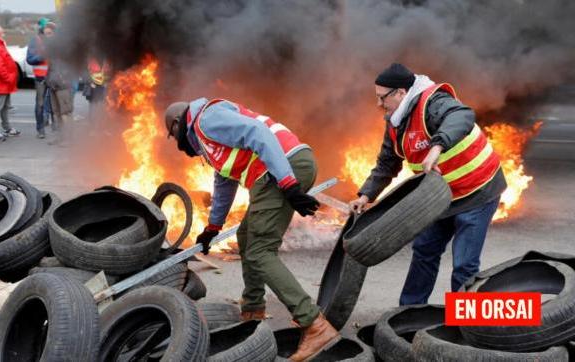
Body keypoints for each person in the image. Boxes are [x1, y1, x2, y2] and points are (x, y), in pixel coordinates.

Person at [164, 98, 339, 361]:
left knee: (260, 252)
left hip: (280, 168)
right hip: (276, 171)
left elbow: (258, 134)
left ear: (178, 124)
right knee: (246, 238)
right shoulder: (209, 141)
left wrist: (288, 183)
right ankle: (253, 310)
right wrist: (213, 227)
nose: (181, 148)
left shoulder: (206, 120)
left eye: (174, 137)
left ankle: (314, 324)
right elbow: (224, 183)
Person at [349, 63, 507, 305]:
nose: (378, 104)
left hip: (477, 190)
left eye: (382, 98)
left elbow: (462, 115)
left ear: (400, 93)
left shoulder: (433, 102)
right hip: (439, 198)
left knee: (464, 264)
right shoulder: (395, 122)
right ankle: (407, 313)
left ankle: (466, 328)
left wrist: (437, 145)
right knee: (424, 250)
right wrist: (366, 195)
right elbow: (386, 165)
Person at [26, 18, 51, 138]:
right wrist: (43, 55)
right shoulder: (35, 41)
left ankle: (57, 130)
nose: (49, 31)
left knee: (56, 105)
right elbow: (30, 59)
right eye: (46, 28)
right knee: (40, 104)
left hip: (55, 77)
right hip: (41, 78)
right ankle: (40, 129)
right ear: (42, 29)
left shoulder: (56, 40)